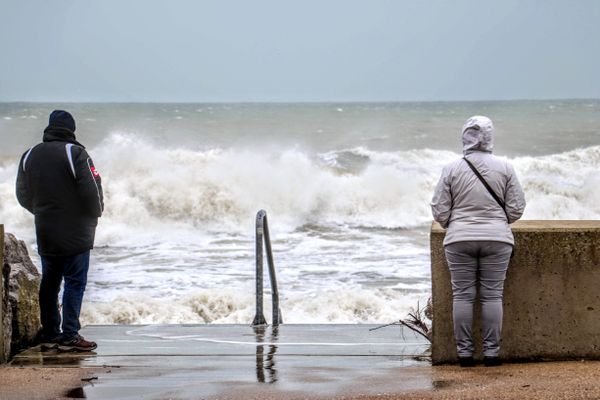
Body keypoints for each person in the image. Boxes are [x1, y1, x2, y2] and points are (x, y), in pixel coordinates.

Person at [430, 116, 525, 367]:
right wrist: (495, 221)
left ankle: (464, 354)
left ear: (465, 136)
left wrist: (456, 223)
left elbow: (439, 211)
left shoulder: (451, 168)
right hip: (497, 239)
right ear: (490, 136)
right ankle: (492, 354)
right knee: (492, 296)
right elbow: (516, 209)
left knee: (462, 296)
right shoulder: (505, 167)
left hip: (459, 239)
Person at [16, 110, 104, 352]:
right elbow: (92, 189)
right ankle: (70, 334)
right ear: (71, 130)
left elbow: (22, 194)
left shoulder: (30, 154)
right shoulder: (75, 153)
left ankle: (51, 331)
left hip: (45, 228)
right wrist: (95, 213)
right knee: (75, 281)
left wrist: (42, 212)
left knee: (50, 281)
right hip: (76, 231)